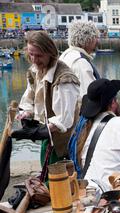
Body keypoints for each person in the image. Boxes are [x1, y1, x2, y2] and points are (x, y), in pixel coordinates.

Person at [11, 30, 80, 167]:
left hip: (65, 142)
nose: (34, 60)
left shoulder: (64, 79)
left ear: (50, 53)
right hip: (49, 137)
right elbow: (31, 97)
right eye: (31, 54)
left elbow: (64, 120)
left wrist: (38, 132)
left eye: (39, 55)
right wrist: (27, 113)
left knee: (60, 180)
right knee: (47, 175)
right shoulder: (35, 70)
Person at [59, 21, 100, 98]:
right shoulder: (80, 62)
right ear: (87, 39)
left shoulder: (66, 55)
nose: (98, 41)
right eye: (95, 37)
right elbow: (89, 96)